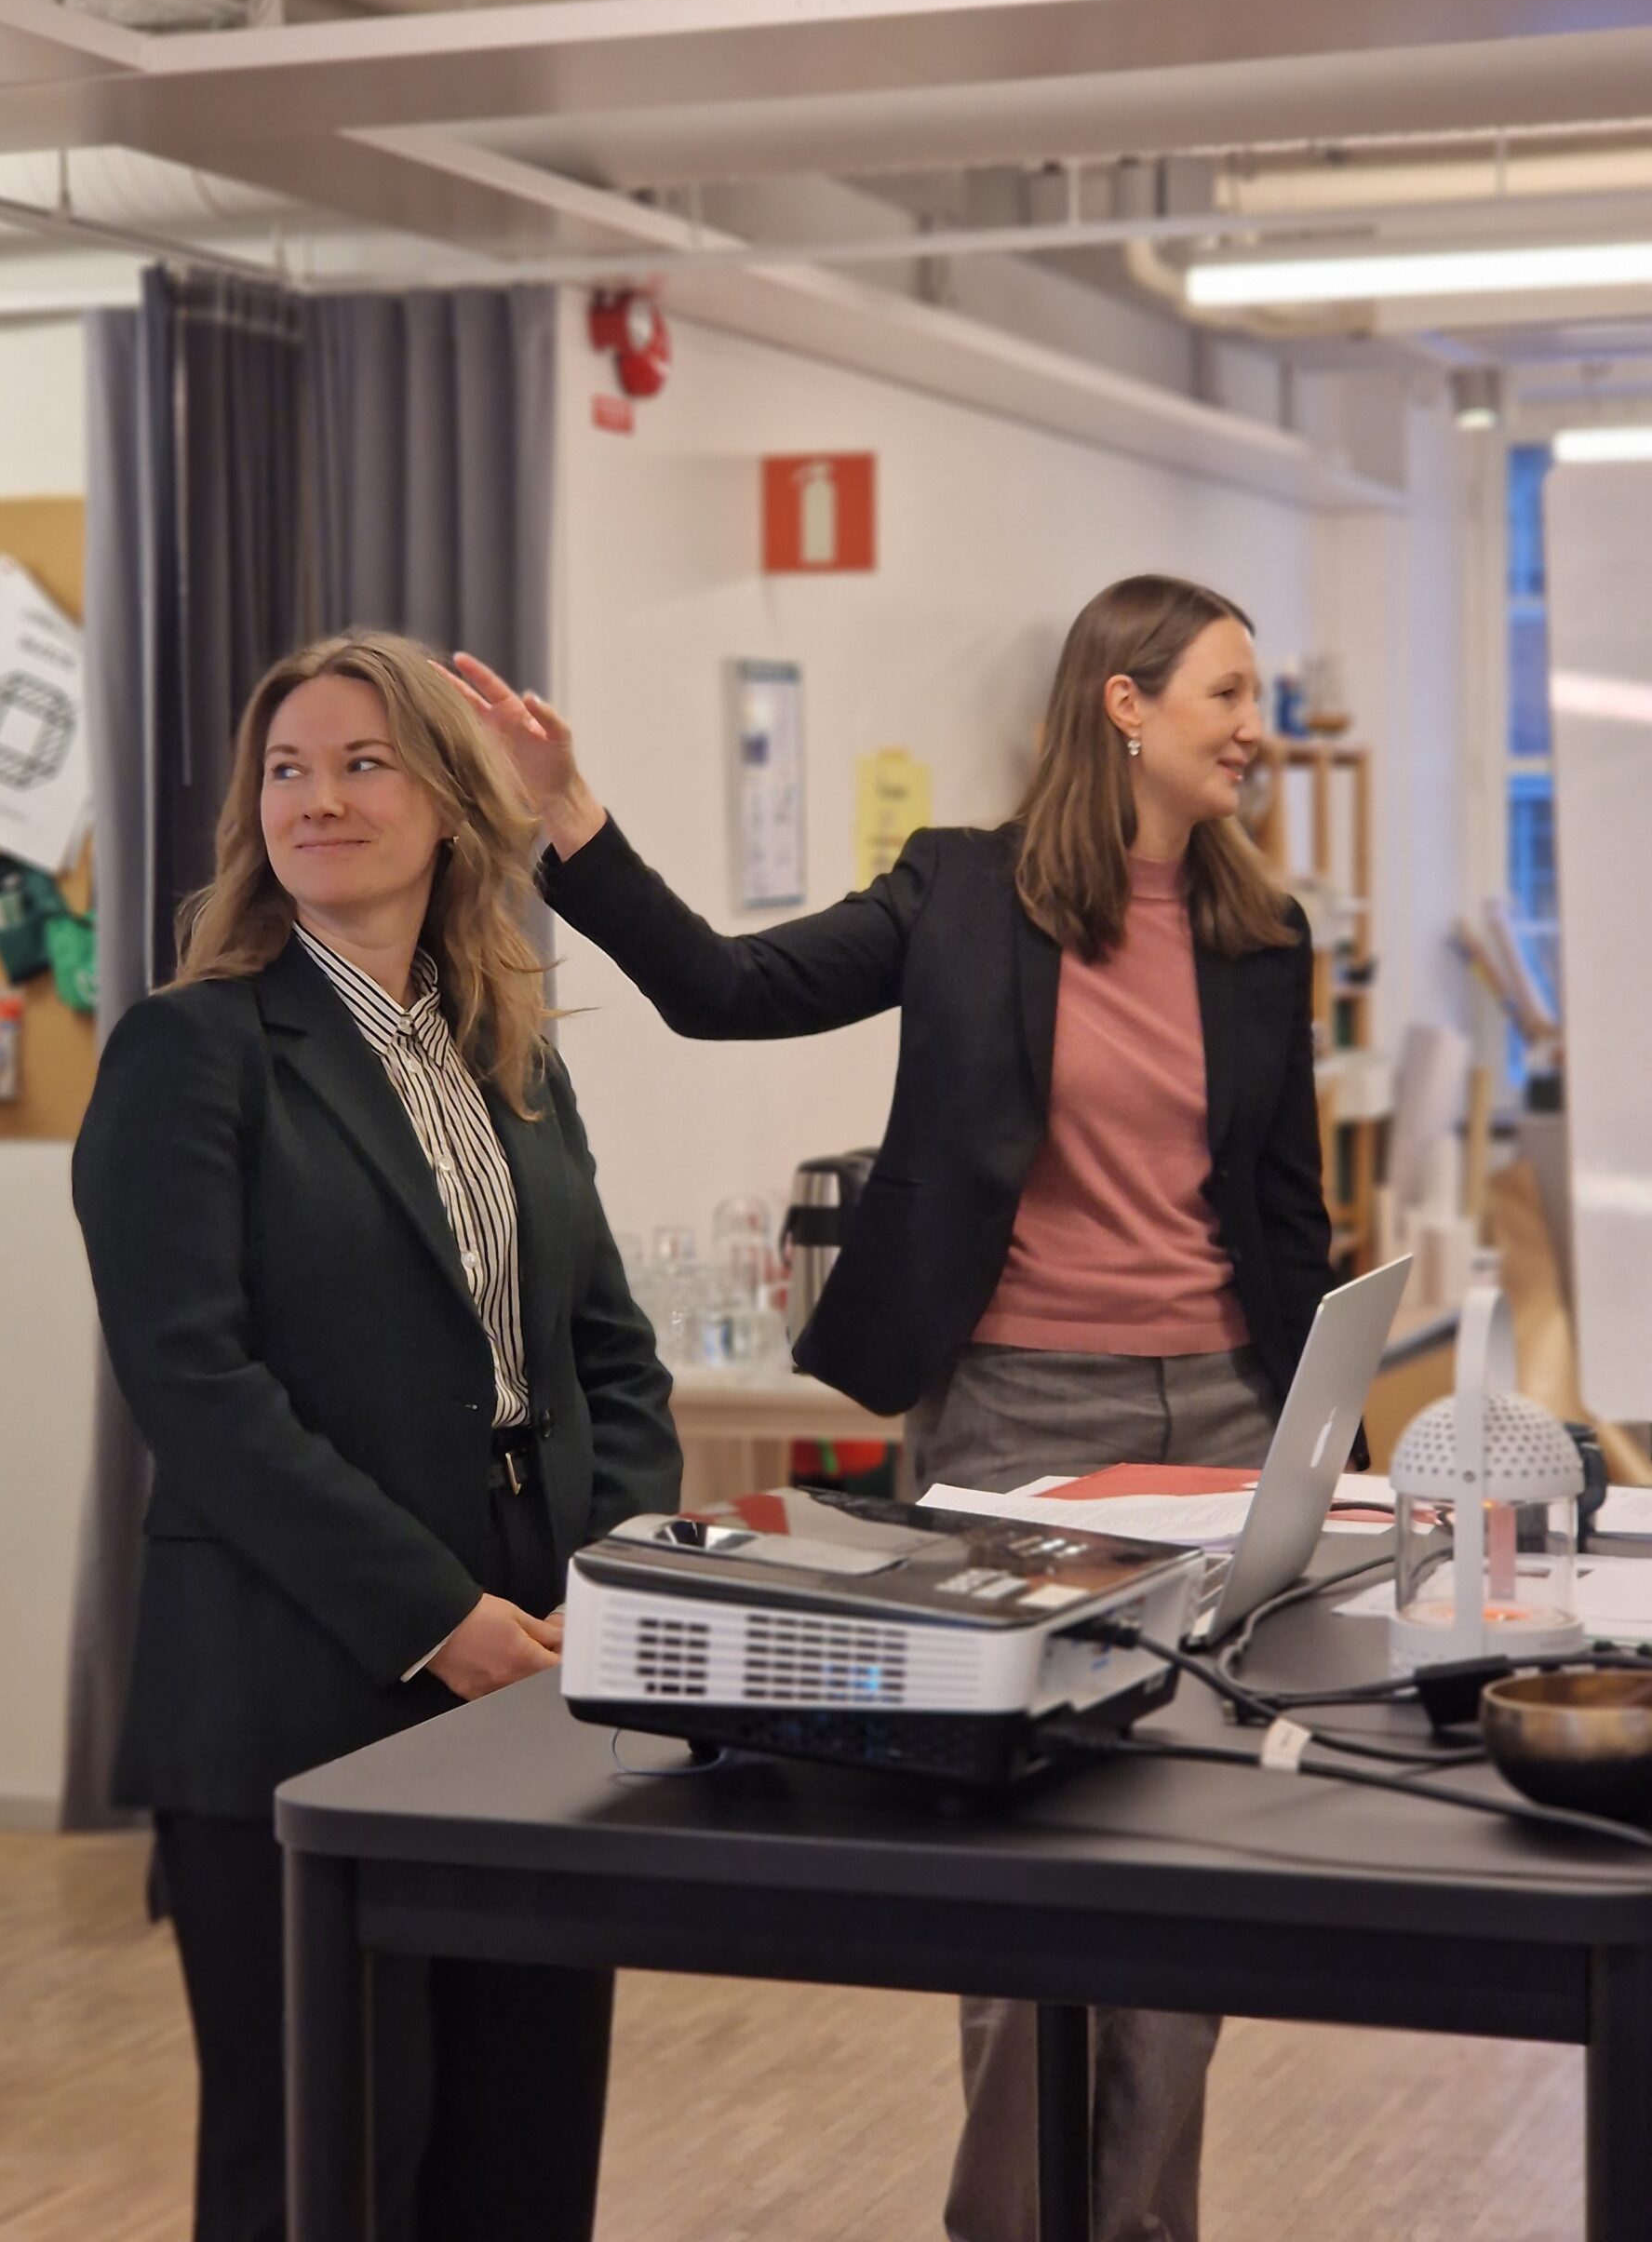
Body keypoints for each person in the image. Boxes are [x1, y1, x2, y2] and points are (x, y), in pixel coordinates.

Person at [442, 573, 1350, 2242]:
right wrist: (569, 812)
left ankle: (1143, 2226)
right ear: (1125, 702)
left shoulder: (1260, 933)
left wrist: (1330, 1453)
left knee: (1197, 1862)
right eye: (1227, 693)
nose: (1255, 727)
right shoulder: (964, 892)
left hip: (1224, 1419)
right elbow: (723, 989)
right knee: (1024, 1856)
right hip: (1017, 1421)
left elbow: (1284, 1207)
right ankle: (1011, 2222)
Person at [73, 632, 680, 2242]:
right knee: (328, 2169)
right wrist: (437, 1617)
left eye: (362, 764)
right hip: (297, 1683)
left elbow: (609, 1356)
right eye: (287, 770)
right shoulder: (190, 1052)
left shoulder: (510, 1055)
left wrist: (607, 1584)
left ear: (452, 807)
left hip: (544, 1679)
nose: (318, 800)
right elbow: (195, 1389)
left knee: (523, 2155)